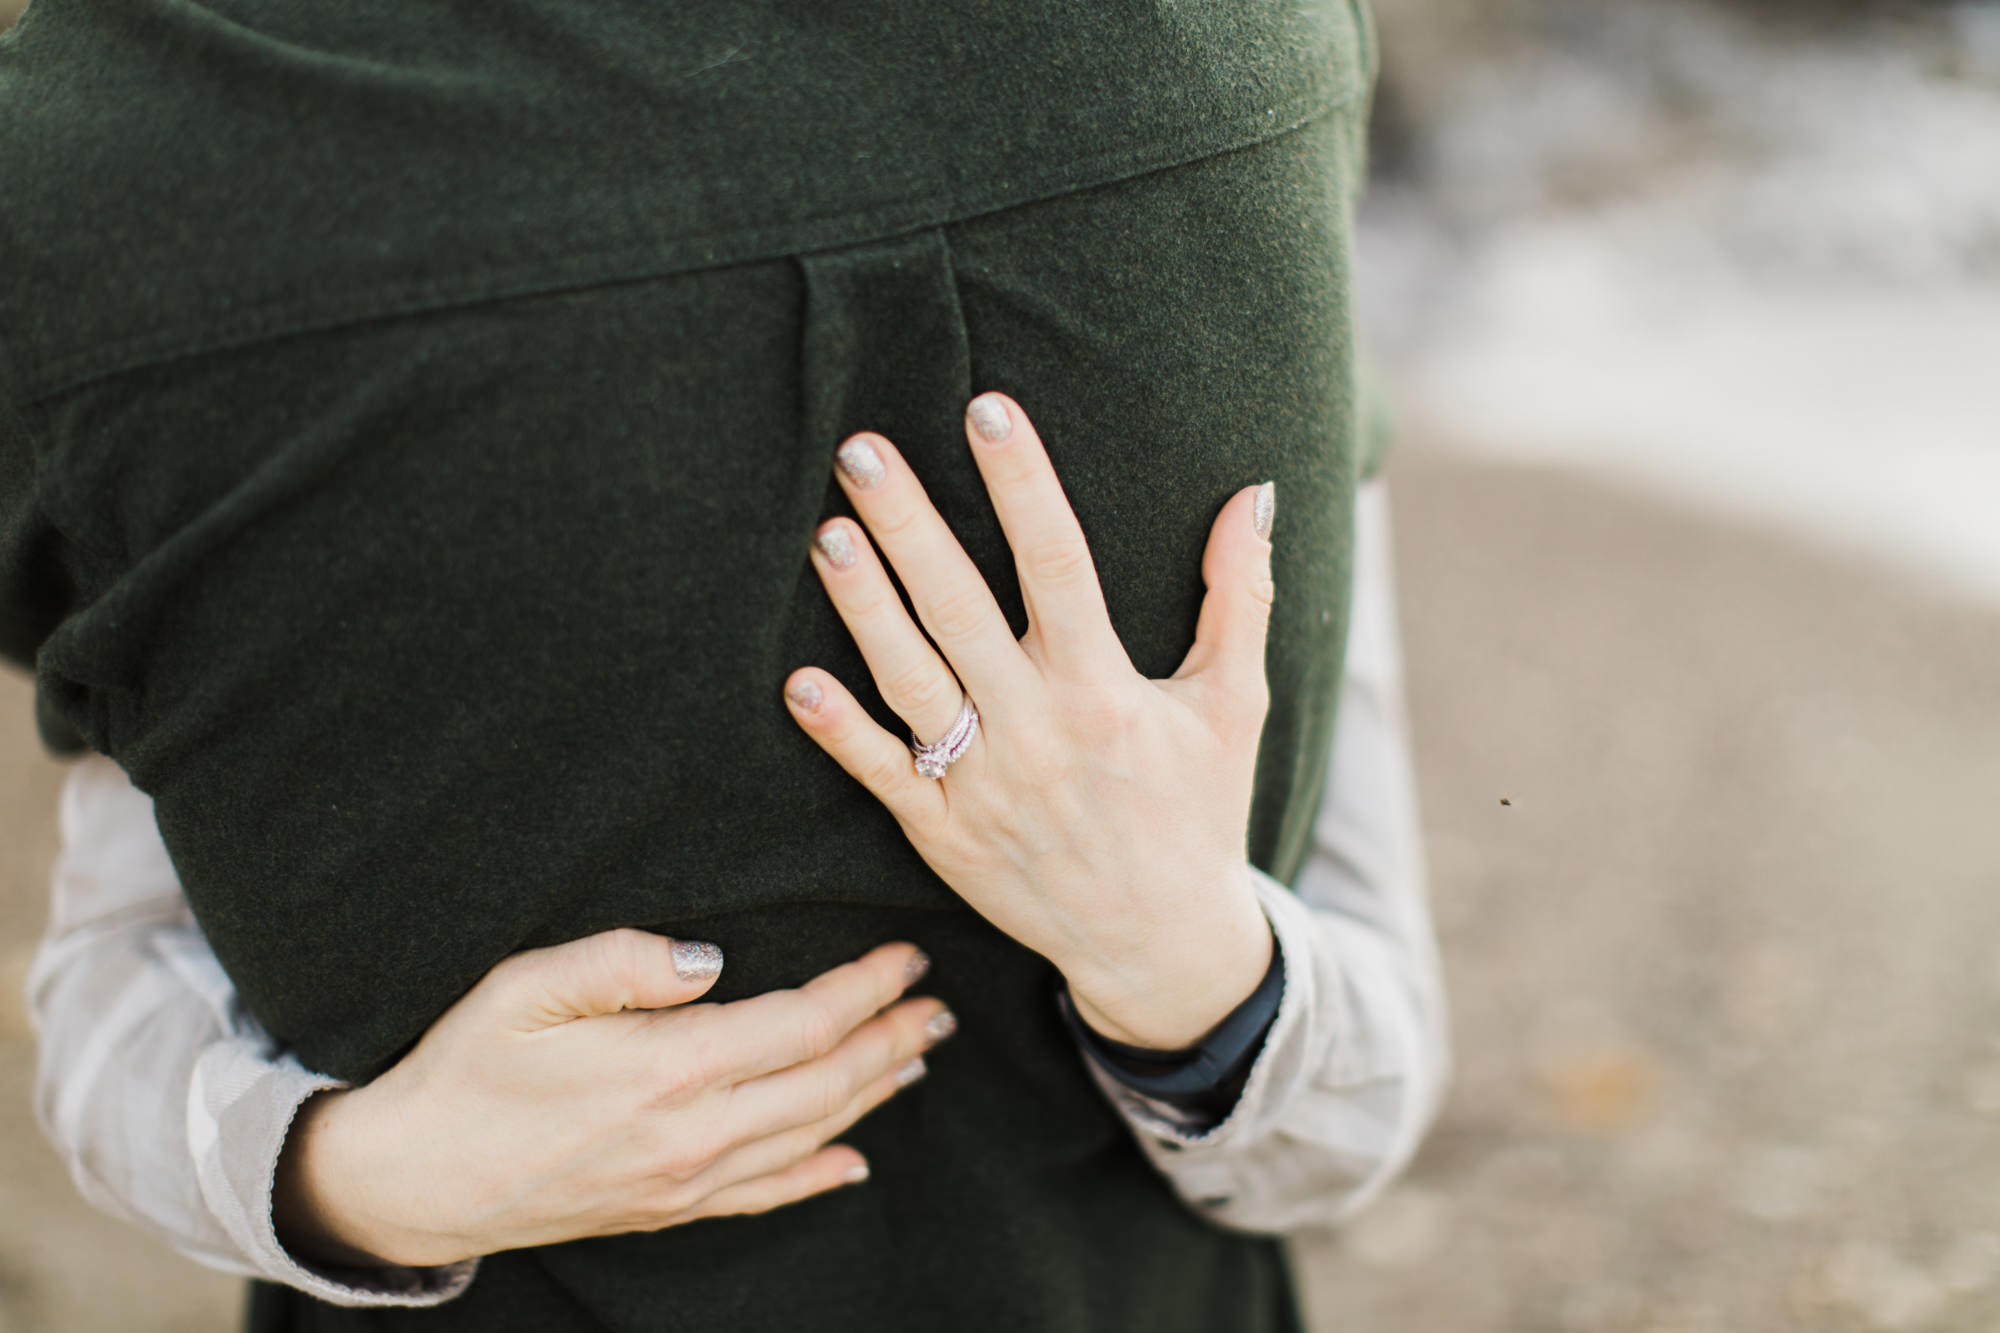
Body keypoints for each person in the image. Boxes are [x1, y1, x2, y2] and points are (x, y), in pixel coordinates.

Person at [1, 1, 1444, 1328]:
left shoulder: (93, 160)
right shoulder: (1243, 43)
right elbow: (1354, 1119)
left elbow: (114, 984)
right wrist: (1200, 979)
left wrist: (353, 1177)